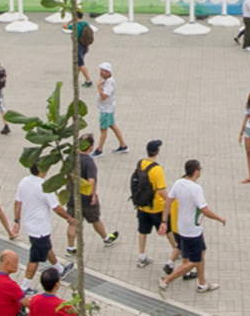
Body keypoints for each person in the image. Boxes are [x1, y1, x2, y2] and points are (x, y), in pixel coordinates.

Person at [159, 159, 227, 293]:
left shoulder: (179, 183)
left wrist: (164, 221)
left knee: (201, 252)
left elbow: (167, 202)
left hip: (181, 227)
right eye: (200, 169)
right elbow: (204, 210)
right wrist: (219, 218)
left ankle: (202, 284)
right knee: (194, 261)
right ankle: (166, 281)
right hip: (192, 230)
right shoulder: (196, 189)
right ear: (196, 172)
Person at [10, 163, 75, 282]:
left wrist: (17, 221)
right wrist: (70, 218)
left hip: (30, 225)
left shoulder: (24, 181)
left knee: (46, 247)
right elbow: (56, 208)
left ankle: (59, 269)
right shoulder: (44, 187)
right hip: (39, 228)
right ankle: (25, 286)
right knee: (35, 258)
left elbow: (17, 203)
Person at [132, 140, 173, 268]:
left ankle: (142, 256)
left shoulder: (141, 163)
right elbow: (161, 190)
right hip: (156, 207)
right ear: (157, 152)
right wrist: (171, 201)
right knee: (168, 229)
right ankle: (178, 249)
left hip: (142, 205)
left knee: (142, 231)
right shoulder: (157, 169)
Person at [94, 63, 127, 154]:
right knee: (113, 125)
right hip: (108, 108)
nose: (101, 72)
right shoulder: (105, 80)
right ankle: (123, 145)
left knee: (103, 129)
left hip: (106, 110)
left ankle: (99, 149)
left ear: (108, 72)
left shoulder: (109, 83)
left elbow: (104, 96)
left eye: (103, 71)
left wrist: (98, 87)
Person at [0, 250, 27, 316]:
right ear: (7, 263)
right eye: (15, 262)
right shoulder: (9, 284)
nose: (17, 265)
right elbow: (27, 303)